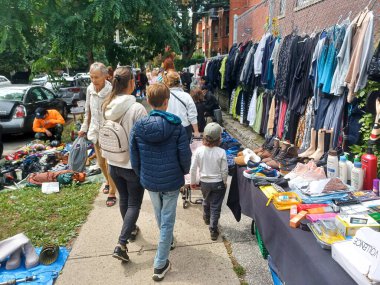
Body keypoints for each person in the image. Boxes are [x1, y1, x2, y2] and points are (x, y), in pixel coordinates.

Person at [130, 83, 191, 281]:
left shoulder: (139, 127)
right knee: (167, 221)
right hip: (171, 181)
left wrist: (142, 174)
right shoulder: (177, 126)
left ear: (148, 101)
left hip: (150, 179)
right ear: (167, 101)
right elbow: (184, 155)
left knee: (160, 215)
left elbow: (134, 156)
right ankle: (160, 263)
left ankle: (168, 241)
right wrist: (185, 172)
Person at [102, 66, 147, 262]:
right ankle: (121, 243)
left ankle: (129, 230)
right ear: (131, 83)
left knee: (124, 200)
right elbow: (145, 139)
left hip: (112, 162)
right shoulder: (137, 108)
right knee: (134, 203)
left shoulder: (107, 105)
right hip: (132, 164)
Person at [78, 62, 117, 207]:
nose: (93, 80)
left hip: (109, 131)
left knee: (109, 163)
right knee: (100, 163)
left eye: (96, 77)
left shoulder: (112, 89)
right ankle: (107, 181)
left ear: (105, 76)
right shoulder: (89, 89)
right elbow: (87, 110)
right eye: (91, 77)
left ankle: (113, 191)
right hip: (95, 130)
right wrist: (84, 127)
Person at [190, 122, 228, 241]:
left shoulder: (199, 151)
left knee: (206, 200)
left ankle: (206, 217)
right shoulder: (221, 152)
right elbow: (224, 170)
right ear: (219, 138)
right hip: (218, 183)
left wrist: (192, 182)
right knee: (216, 207)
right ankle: (213, 229)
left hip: (204, 182)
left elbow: (193, 168)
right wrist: (224, 180)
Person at [164, 71, 200, 141]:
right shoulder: (186, 96)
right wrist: (196, 131)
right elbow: (192, 115)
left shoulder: (163, 96)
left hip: (167, 129)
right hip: (184, 129)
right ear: (179, 82)